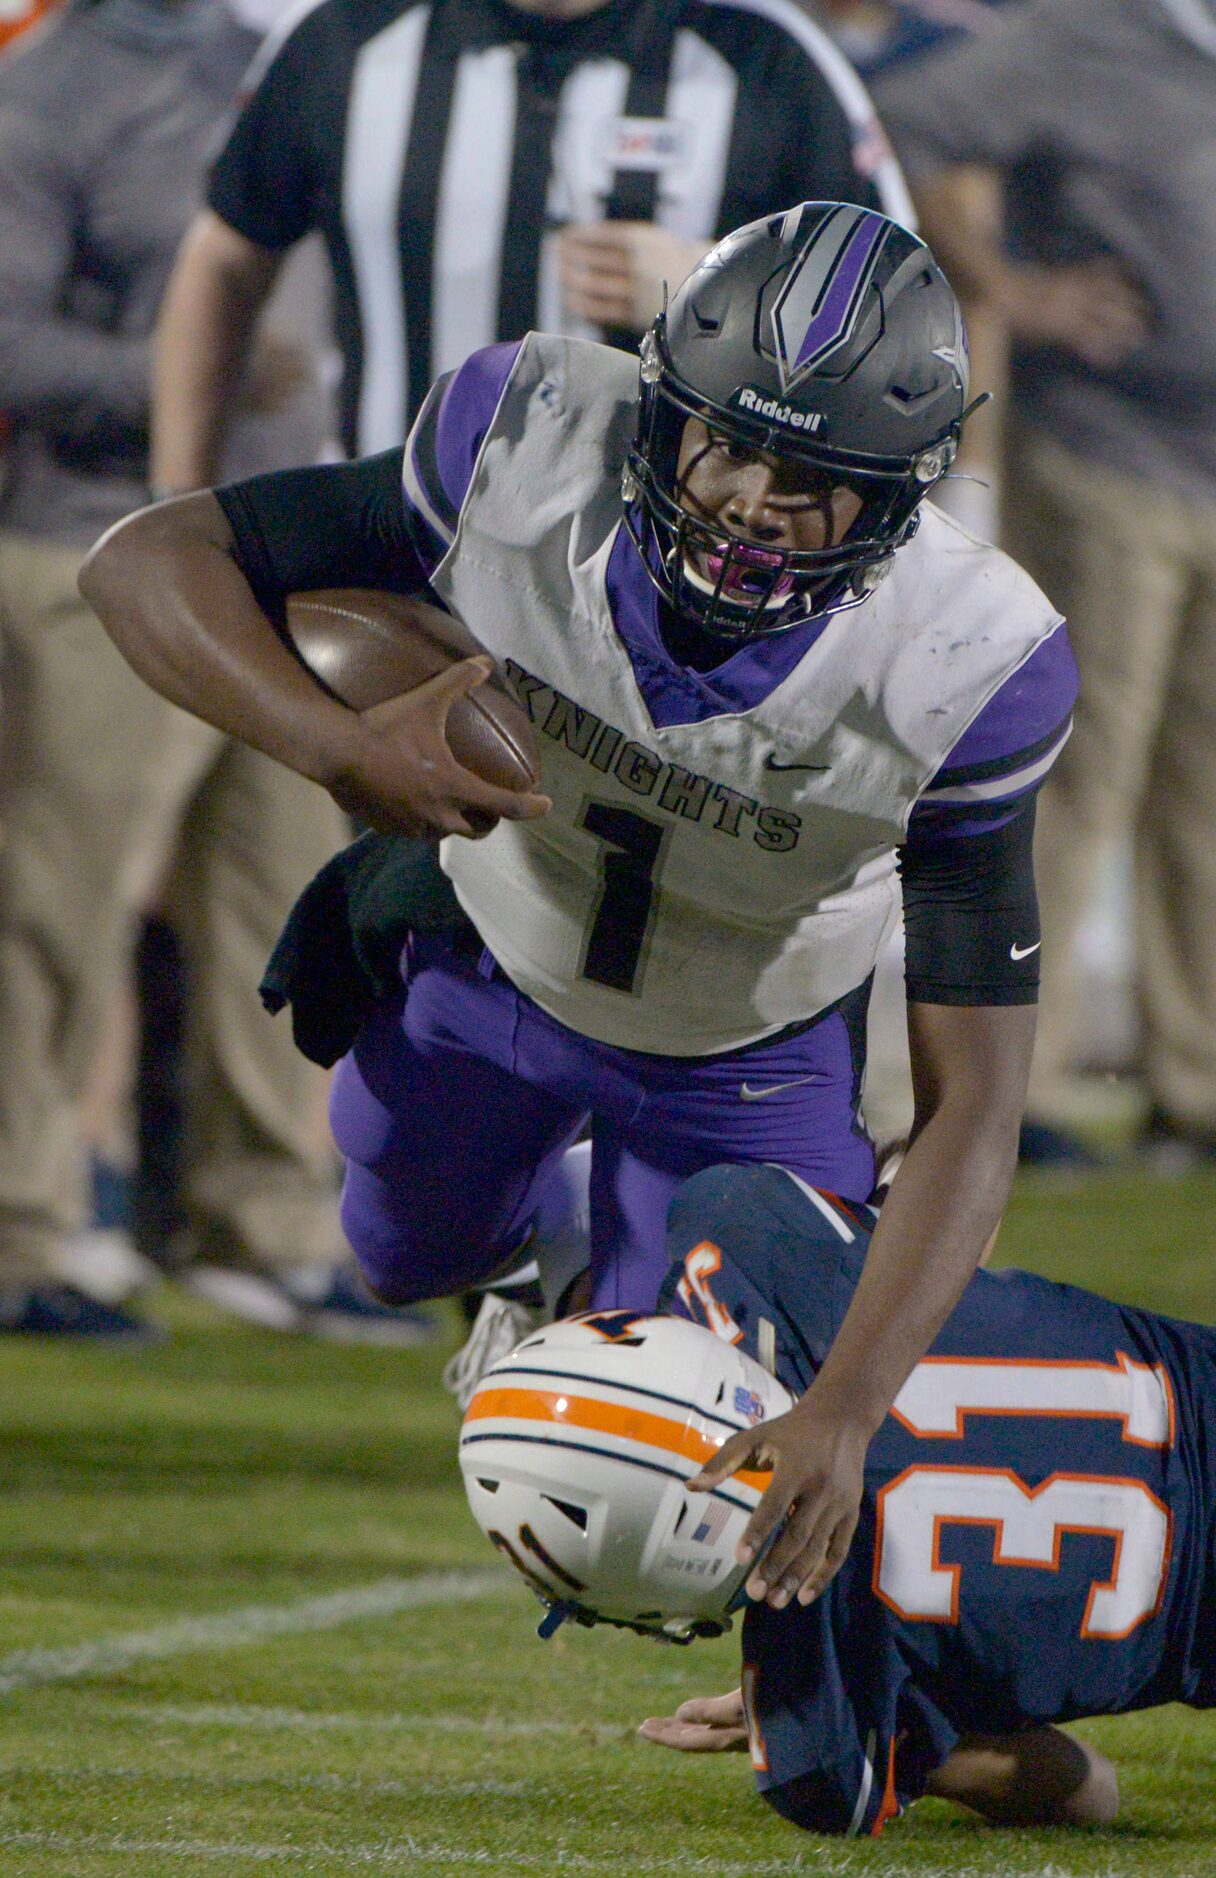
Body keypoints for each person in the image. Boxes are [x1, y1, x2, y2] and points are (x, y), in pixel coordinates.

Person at [80, 203, 1077, 1601]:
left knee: (702, 1462)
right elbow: (140, 558)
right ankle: (544, 1231)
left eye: (807, 475)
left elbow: (977, 1090)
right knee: (393, 1254)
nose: (743, 496)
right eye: (722, 438)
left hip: (751, 1038)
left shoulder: (968, 662)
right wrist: (339, 746)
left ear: (899, 495)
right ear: (662, 402)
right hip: (491, 951)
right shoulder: (527, 440)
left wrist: (850, 1409)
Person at [871, 0, 1216, 1170]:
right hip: (1105, 456)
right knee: (1071, 773)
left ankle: (1205, 1090)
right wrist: (1010, 287)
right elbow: (889, 123)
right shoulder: (1078, 36)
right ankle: (1015, 1088)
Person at [521, 1157, 1216, 1835]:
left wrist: (852, 1704)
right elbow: (945, 1187)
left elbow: (1087, 1789)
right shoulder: (748, 1237)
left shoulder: (817, 1733)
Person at [0, 0, 426, 1342]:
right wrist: (188, 372)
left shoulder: (296, 68)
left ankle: (265, 1227)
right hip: (95, 553)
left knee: (284, 904)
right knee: (48, 907)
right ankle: (16, 1228)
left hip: (285, 563)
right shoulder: (51, 85)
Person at [149, 0, 915, 493]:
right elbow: (225, 257)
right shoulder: (344, 37)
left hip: (664, 591)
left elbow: (906, 341)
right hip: (396, 557)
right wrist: (176, 500)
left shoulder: (764, 54)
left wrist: (719, 291)